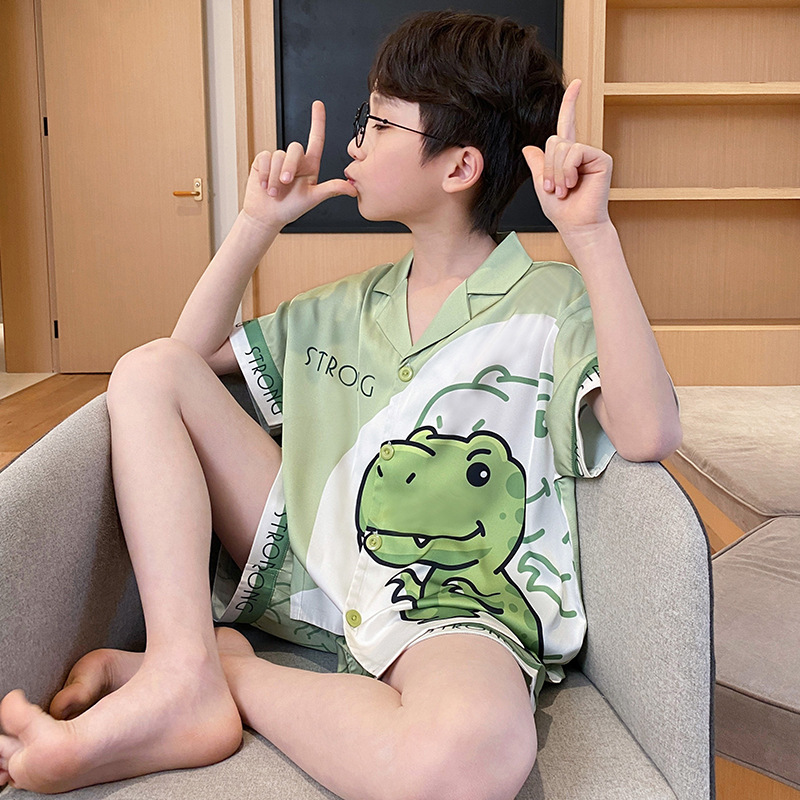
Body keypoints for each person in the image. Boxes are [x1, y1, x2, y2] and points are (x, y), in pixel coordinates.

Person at [0, 11, 681, 799]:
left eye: (380, 123)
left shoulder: (552, 303)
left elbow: (648, 431)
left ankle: (222, 678)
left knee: (471, 756)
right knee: (148, 369)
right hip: (307, 563)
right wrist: (255, 225)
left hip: (450, 604)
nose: (355, 142)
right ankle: (183, 669)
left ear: (459, 167)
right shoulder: (340, 306)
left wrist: (593, 237)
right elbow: (180, 365)